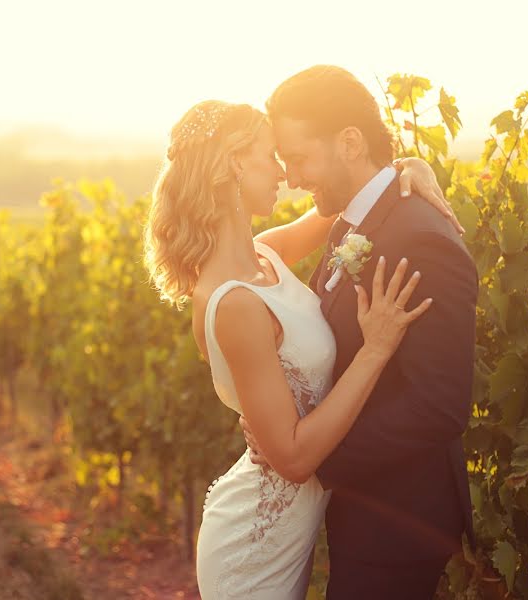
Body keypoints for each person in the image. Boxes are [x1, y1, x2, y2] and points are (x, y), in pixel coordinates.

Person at [143, 90, 465, 598]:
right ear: (232, 167)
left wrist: (411, 164)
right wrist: (376, 349)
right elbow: (291, 459)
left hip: (298, 526)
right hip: (255, 541)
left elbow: (357, 196)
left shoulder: (266, 254)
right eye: (270, 158)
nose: (283, 174)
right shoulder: (234, 305)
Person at [241, 65, 478, 599]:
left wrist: (311, 459)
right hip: (362, 510)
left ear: (349, 142)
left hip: (397, 523)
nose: (294, 178)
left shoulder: (420, 238)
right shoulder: (354, 220)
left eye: (299, 159)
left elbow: (439, 404)